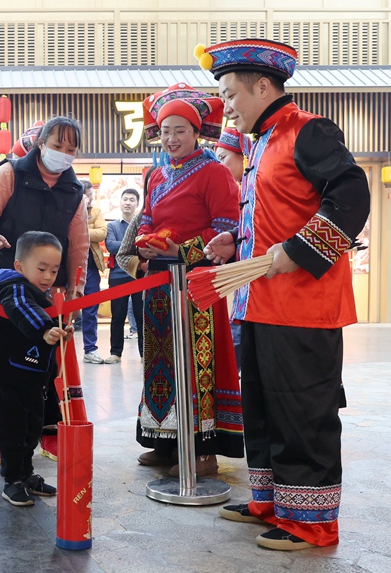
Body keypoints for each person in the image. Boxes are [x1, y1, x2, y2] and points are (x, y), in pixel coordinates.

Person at [199, 39, 370, 550]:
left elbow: (353, 193)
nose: (226, 106)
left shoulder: (307, 131)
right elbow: (275, 215)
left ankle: (312, 522)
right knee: (264, 408)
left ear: (262, 86)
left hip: (304, 308)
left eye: (231, 95)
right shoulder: (259, 143)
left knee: (302, 412)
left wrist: (297, 250)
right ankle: (271, 502)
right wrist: (237, 241)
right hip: (260, 304)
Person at [133, 84, 244, 477]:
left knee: (200, 366)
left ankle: (204, 450)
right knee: (161, 359)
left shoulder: (214, 172)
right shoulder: (156, 174)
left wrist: (179, 251)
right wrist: (146, 243)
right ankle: (165, 443)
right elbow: (147, 219)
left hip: (198, 282)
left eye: (180, 130)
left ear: (196, 132)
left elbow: (227, 230)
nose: (172, 138)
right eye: (165, 131)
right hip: (159, 283)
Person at [0, 115, 89, 464]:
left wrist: (76, 291)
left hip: (47, 291)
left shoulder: (74, 191)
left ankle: (46, 429)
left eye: (71, 149)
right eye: (57, 146)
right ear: (41, 144)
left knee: (47, 360)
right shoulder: (10, 173)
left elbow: (79, 246)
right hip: (0, 282)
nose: (63, 154)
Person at [0, 231, 71, 506]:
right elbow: (21, 309)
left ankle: (26, 474)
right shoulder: (14, 286)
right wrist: (45, 330)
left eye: (54, 270)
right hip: (3, 377)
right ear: (19, 266)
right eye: (41, 268)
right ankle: (12, 481)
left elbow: (47, 315)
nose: (48, 276)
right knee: (11, 431)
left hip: (30, 378)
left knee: (31, 429)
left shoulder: (41, 293)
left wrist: (61, 328)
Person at [213, 127, 250, 371]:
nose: (220, 165)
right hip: (241, 284)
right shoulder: (238, 187)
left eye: (224, 158)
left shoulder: (247, 188)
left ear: (243, 157)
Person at [104, 188, 143, 362]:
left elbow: (146, 245)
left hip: (138, 274)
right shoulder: (111, 226)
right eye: (125, 199)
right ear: (120, 202)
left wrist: (128, 246)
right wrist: (135, 244)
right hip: (117, 276)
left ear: (137, 204)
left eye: (132, 200)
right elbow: (110, 246)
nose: (128, 202)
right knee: (117, 316)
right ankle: (115, 353)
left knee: (141, 315)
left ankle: (145, 354)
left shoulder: (142, 225)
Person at [80, 180, 107, 364]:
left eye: (91, 195)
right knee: (65, 308)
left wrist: (80, 231)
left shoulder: (96, 212)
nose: (90, 199)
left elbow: (102, 233)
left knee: (90, 309)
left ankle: (90, 349)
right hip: (69, 266)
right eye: (88, 195)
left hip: (91, 266)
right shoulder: (68, 210)